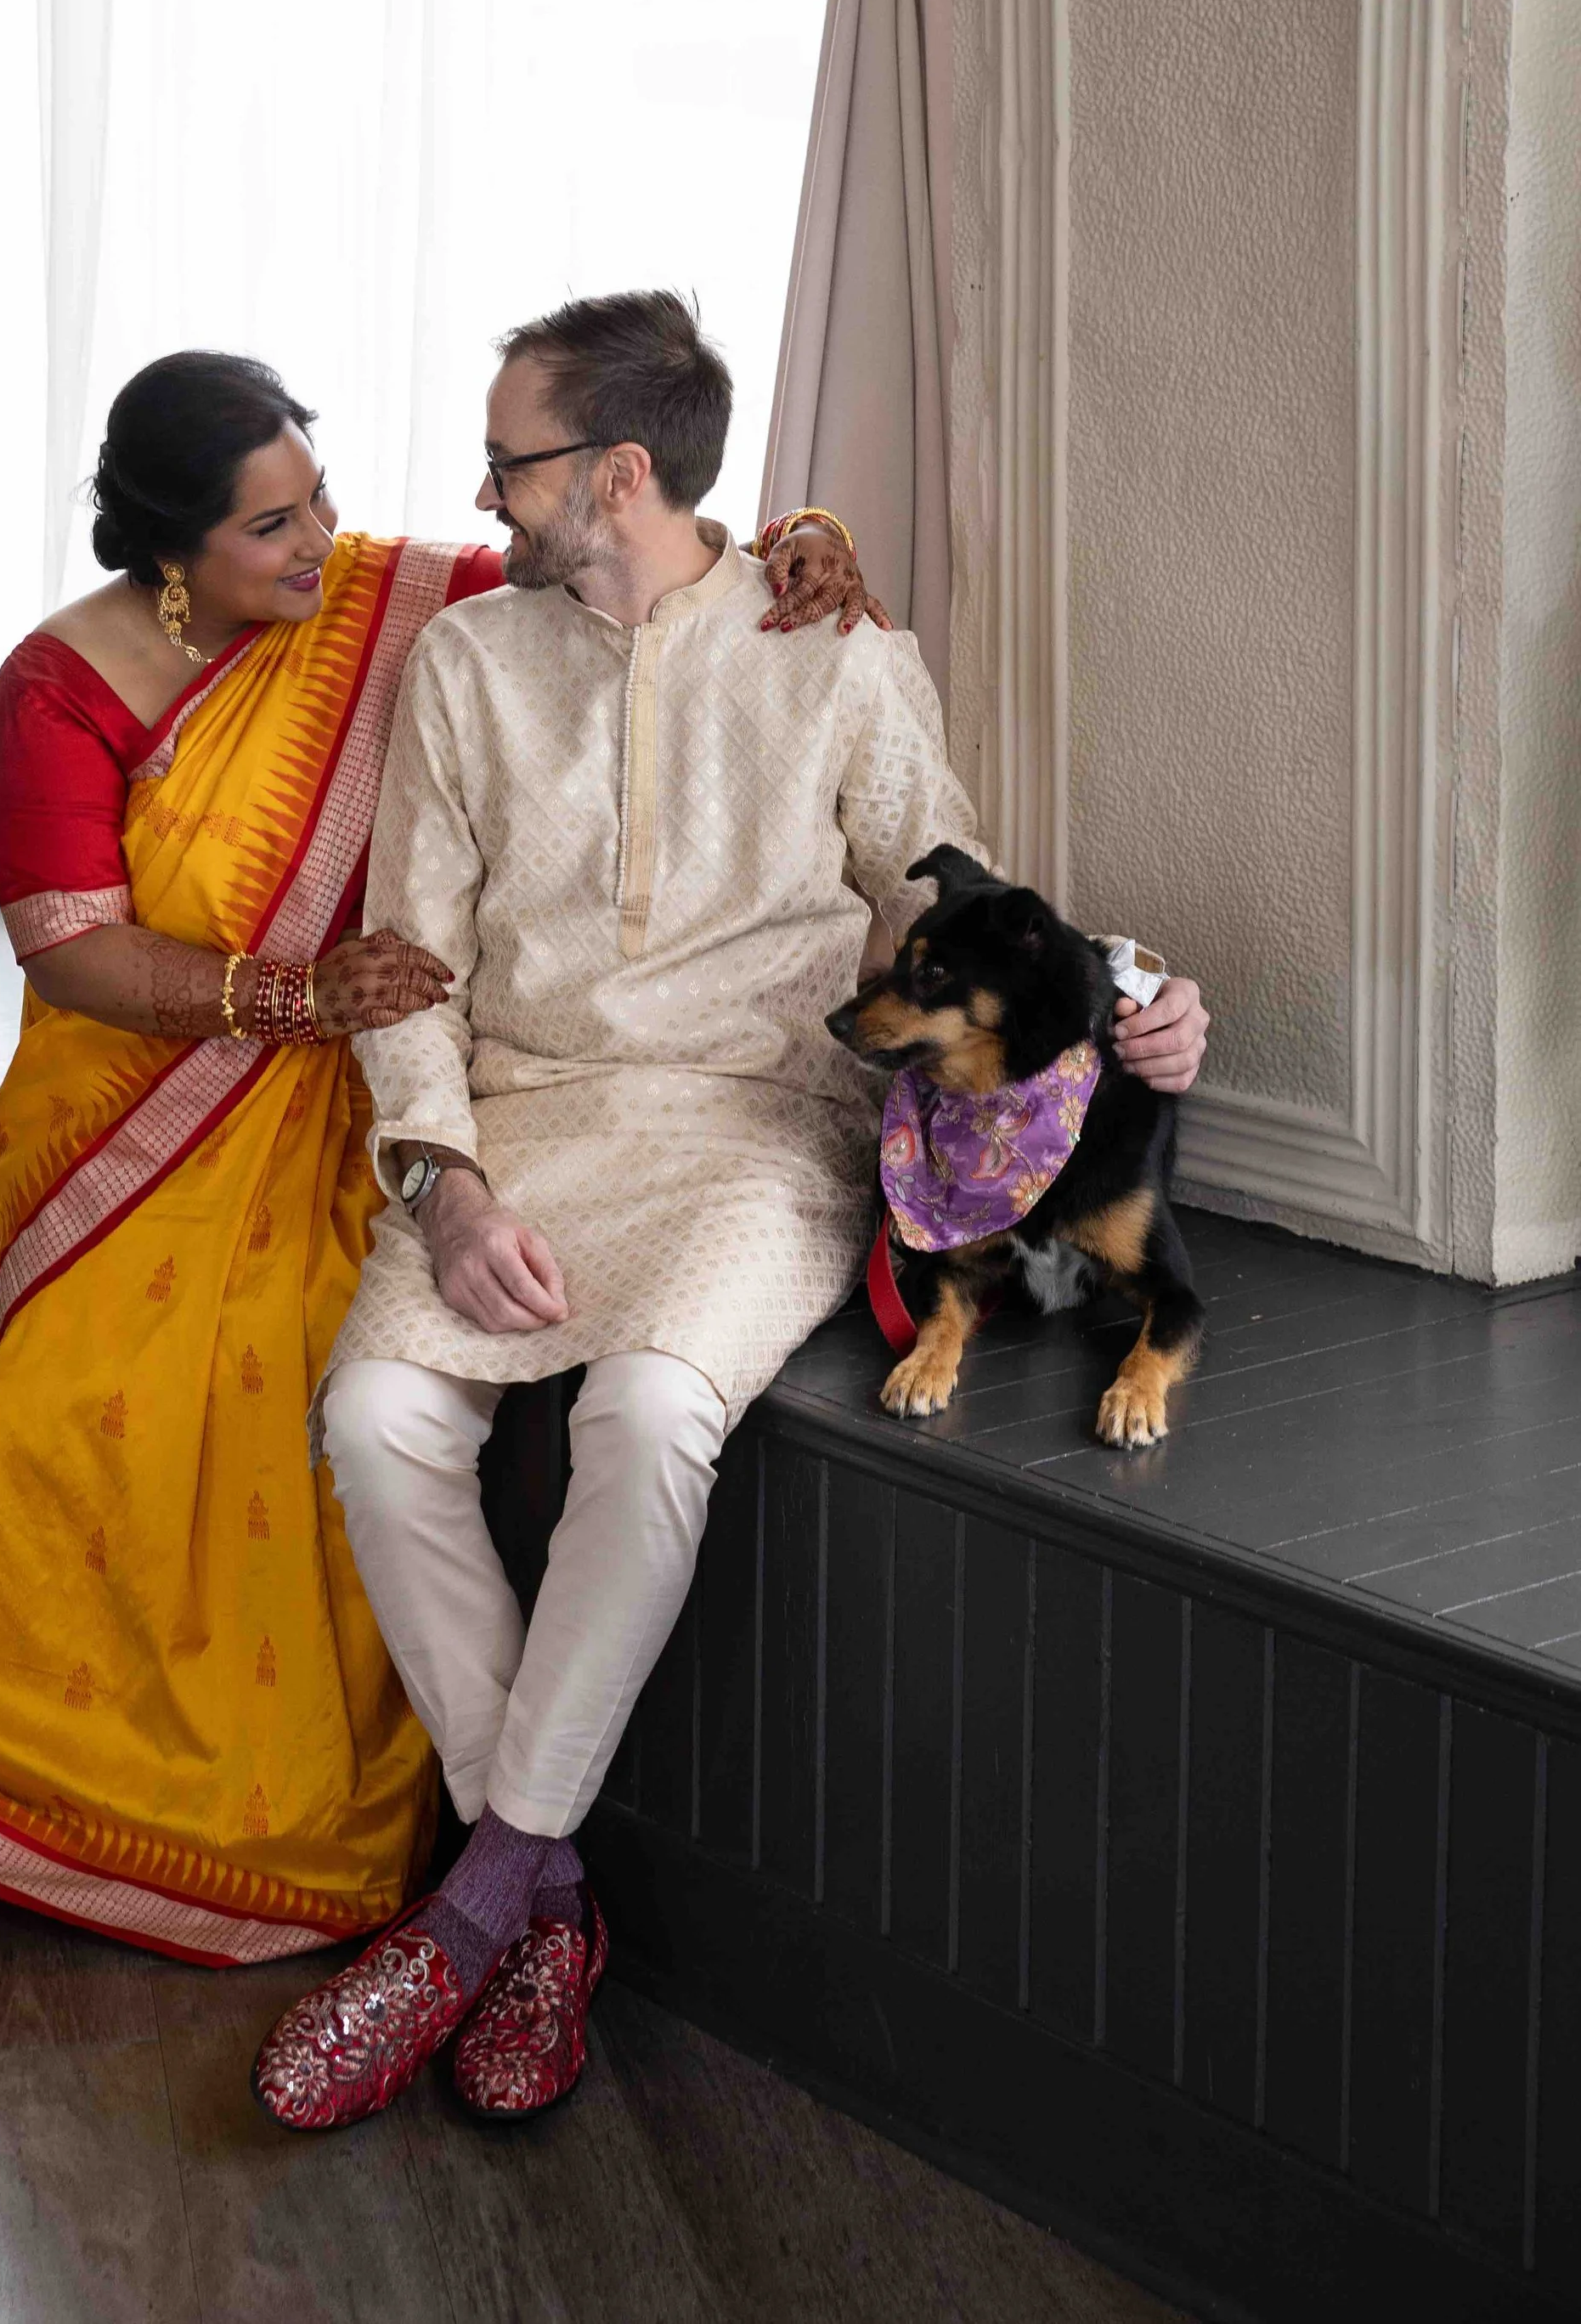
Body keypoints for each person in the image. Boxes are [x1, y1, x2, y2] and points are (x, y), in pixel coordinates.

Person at [251, 291, 1209, 2118]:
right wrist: (444, 1192)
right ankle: (530, 1899)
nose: (482, 485)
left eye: (510, 454)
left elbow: (954, 909)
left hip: (755, 1130)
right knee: (373, 1421)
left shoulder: (833, 658)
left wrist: (1137, 987)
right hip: (517, 1128)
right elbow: (410, 972)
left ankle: (466, 1917)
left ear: (615, 471)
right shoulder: (464, 667)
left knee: (647, 1414)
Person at [0, 346, 875, 1961]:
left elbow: (621, 563)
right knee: (69, 1424)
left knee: (303, 1396)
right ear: (173, 555)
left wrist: (794, 528)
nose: (320, 540)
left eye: (318, 494)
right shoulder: (52, 690)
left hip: (358, 1114)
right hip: (145, 1117)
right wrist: (292, 994)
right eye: (271, 526)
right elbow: (68, 952)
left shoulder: (379, 609)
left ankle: (406, 1858)